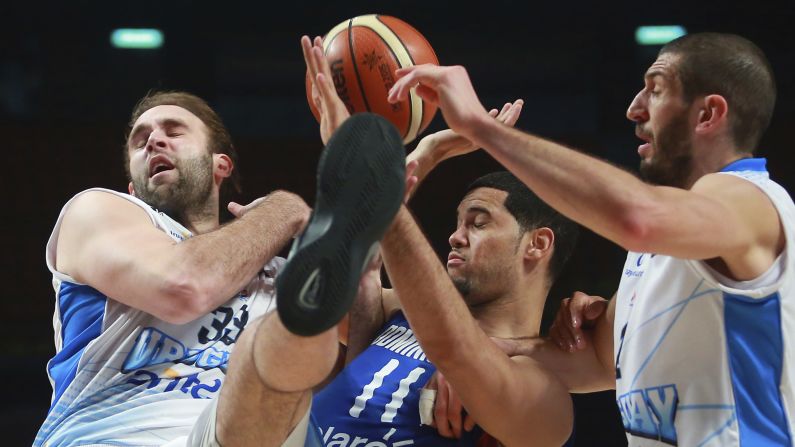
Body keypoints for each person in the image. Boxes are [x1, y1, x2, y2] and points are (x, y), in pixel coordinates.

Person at [387, 32, 794, 445]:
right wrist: (473, 360)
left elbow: (639, 216)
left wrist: (479, 125)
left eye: (655, 90)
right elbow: (594, 363)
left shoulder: (751, 201)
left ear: (707, 114)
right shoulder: (660, 245)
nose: (634, 108)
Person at [34, 88, 406, 446]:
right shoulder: (98, 212)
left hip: (244, 431)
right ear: (132, 187)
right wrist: (284, 208)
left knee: (297, 331)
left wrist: (366, 282)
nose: (153, 141)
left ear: (221, 164)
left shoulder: (286, 278)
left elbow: (404, 340)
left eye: (174, 131)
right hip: (111, 434)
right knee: (286, 325)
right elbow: (183, 286)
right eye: (139, 140)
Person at [301, 35, 580, 446]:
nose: (455, 236)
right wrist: (427, 152)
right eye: (458, 222)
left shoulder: (541, 390)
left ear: (537, 244)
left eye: (479, 223)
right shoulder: (398, 312)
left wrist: (367, 168)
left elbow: (463, 354)